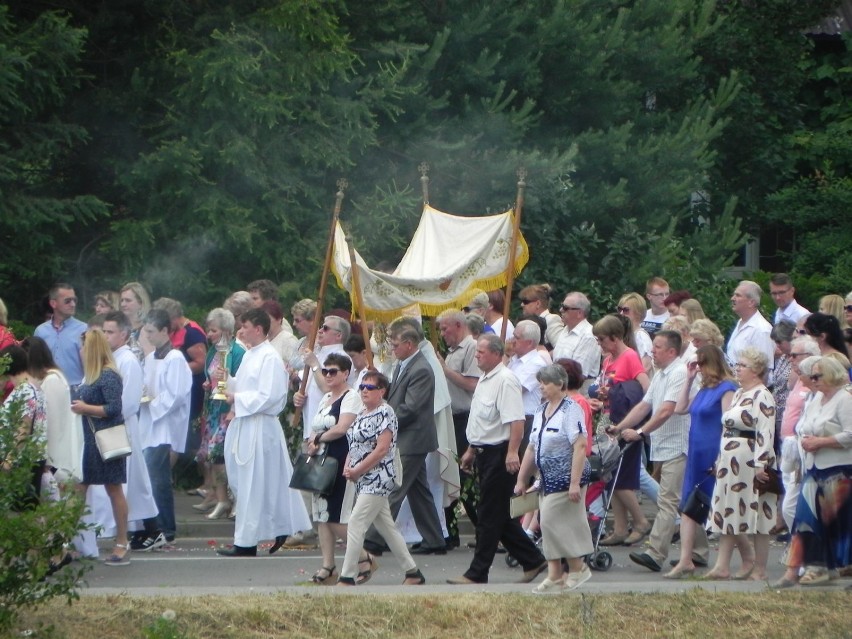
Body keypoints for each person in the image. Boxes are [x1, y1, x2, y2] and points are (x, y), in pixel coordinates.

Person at [447, 334, 547, 585]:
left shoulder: (505, 380)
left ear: (495, 353)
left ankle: (478, 572)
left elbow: (516, 420)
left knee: (488, 515)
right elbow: (481, 420)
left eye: (481, 352)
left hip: (500, 454)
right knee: (499, 515)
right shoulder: (484, 379)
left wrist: (512, 452)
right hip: (483, 451)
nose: (477, 355)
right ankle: (532, 559)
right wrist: (471, 449)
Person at [219, 308, 311, 556]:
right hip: (246, 423)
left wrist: (236, 397)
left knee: (255, 482)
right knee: (252, 482)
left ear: (258, 329)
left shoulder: (269, 357)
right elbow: (246, 385)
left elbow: (270, 395)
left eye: (245, 326)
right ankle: (279, 526)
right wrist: (225, 380)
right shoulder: (252, 354)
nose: (240, 330)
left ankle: (246, 543)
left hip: (260, 425)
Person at [614, 331, 701, 573]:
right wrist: (621, 426)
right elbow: (645, 405)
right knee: (684, 500)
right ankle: (699, 551)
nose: (652, 351)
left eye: (658, 347)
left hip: (678, 444)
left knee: (667, 500)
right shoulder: (661, 373)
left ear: (672, 352)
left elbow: (666, 411)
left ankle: (655, 553)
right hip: (664, 445)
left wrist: (640, 432)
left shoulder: (680, 373)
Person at [362, 321, 446, 555]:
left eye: (396, 344)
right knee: (419, 491)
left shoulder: (420, 369)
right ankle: (434, 539)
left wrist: (383, 424)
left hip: (413, 438)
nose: (392, 348)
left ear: (409, 344)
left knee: (395, 485)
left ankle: (374, 539)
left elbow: (411, 408)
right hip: (406, 436)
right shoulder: (404, 364)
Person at [336, 372, 426, 586]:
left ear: (382, 391)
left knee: (356, 523)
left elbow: (381, 449)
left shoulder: (385, 413)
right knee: (387, 528)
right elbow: (355, 444)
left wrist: (357, 469)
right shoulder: (361, 413)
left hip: (379, 476)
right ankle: (412, 572)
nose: (365, 390)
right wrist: (349, 466)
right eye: (362, 387)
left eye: (370, 387)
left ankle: (347, 576)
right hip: (363, 478)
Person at [773, 356, 852, 587]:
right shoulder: (816, 398)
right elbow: (803, 426)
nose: (812, 380)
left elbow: (850, 434)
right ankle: (794, 570)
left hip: (838, 470)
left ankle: (827, 567)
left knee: (836, 523)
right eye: (812, 376)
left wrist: (822, 442)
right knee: (804, 519)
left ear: (831, 375)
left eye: (817, 376)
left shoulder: (845, 399)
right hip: (813, 468)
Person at [515, 364, 593, 593]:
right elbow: (531, 447)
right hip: (546, 477)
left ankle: (578, 568)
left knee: (549, 521)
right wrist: (522, 479)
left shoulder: (571, 409)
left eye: (546, 383)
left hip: (567, 476)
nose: (542, 387)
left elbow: (580, 446)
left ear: (560, 384)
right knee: (550, 526)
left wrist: (574, 483)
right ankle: (555, 574)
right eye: (540, 382)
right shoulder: (541, 410)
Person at [704, 347, 776, 581]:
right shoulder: (738, 394)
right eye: (738, 364)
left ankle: (760, 568)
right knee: (729, 509)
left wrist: (761, 463)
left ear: (755, 370)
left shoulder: (762, 395)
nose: (738, 368)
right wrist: (719, 459)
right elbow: (727, 428)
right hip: (730, 459)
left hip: (750, 459)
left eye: (743, 365)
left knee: (758, 514)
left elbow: (766, 430)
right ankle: (722, 565)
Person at [666, 345, 736, 578]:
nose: (700, 369)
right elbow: (680, 408)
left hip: (713, 452)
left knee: (719, 508)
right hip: (696, 452)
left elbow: (729, 424)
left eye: (702, 364)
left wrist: (722, 457)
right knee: (689, 506)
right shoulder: (704, 389)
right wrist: (688, 379)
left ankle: (747, 558)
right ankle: (685, 559)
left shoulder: (727, 389)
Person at [69, 329, 131, 566]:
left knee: (113, 489)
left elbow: (114, 408)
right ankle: (72, 542)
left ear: (91, 349)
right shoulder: (91, 375)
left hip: (104, 439)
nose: (80, 352)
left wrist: (85, 407)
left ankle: (122, 541)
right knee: (79, 488)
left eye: (83, 347)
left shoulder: (107, 375)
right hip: (89, 441)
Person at [590, 315, 652, 547]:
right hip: (607, 419)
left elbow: (646, 389)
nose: (600, 344)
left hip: (624, 421)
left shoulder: (629, 357)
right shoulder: (608, 358)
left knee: (621, 477)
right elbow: (607, 387)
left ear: (615, 338)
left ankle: (640, 521)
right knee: (609, 477)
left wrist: (633, 418)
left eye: (602, 339)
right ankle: (619, 528)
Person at [304, 353, 361, 583]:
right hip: (321, 458)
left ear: (346, 373)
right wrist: (311, 441)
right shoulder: (326, 396)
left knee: (336, 515)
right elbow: (315, 426)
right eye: (325, 371)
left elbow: (342, 427)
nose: (328, 375)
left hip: (340, 456)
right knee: (321, 515)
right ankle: (328, 565)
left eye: (333, 371)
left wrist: (318, 439)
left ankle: (364, 555)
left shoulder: (351, 396)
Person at [139, 309, 193, 542]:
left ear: (164, 331)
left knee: (157, 477)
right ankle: (154, 526)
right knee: (151, 476)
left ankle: (166, 527)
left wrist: (152, 404)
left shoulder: (176, 359)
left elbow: (176, 395)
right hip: (150, 424)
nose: (148, 336)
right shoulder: (150, 358)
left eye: (151, 331)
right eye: (145, 331)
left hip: (165, 425)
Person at [195, 308, 245, 519]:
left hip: (228, 410)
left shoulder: (238, 352)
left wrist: (232, 409)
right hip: (214, 410)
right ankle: (221, 498)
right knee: (213, 457)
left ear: (226, 330)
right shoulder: (212, 350)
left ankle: (236, 499)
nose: (209, 334)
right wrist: (209, 383)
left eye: (213, 330)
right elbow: (212, 376)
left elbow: (240, 380)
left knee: (225, 457)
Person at [21, 336, 82, 484]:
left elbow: (52, 423)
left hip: (54, 458)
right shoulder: (49, 378)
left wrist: (47, 460)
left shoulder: (52, 380)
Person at [1, 345, 47, 510]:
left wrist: (9, 460)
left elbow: (24, 429)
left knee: (19, 511)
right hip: (29, 458)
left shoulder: (25, 391)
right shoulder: (31, 387)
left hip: (22, 462)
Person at [33, 283, 87, 388]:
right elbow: (35, 363)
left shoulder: (84, 329)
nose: (73, 304)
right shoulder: (41, 331)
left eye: (74, 300)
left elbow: (92, 363)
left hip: (76, 388)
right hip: (47, 386)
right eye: (68, 301)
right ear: (53, 303)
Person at [507, 319, 548, 444]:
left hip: (526, 419)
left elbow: (515, 390)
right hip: (510, 418)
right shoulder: (513, 359)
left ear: (529, 343)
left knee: (520, 460)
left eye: (516, 337)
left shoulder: (537, 363)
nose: (512, 340)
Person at [549, 291, 601, 382]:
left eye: (565, 308)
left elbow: (578, 375)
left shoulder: (589, 336)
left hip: (578, 392)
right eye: (562, 306)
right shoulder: (566, 330)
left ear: (579, 313)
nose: (561, 310)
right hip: (559, 387)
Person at [727, 280, 775, 372]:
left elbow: (764, 369)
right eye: (734, 295)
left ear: (751, 302)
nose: (732, 298)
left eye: (738, 295)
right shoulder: (740, 322)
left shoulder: (762, 330)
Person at [616, 292, 653, 374]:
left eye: (626, 310)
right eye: (619, 309)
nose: (621, 313)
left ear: (638, 313)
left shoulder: (641, 336)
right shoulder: (624, 334)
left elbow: (645, 368)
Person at [518, 283, 561, 348]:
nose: (522, 305)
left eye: (525, 301)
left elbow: (560, 348)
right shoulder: (528, 321)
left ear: (538, 304)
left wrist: (543, 355)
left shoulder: (551, 320)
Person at [119, 282, 152, 361]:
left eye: (128, 300)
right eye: (122, 300)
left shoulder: (149, 330)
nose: (123, 304)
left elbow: (152, 360)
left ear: (140, 303)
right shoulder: (118, 329)